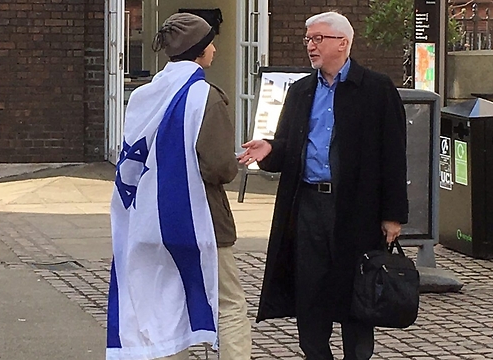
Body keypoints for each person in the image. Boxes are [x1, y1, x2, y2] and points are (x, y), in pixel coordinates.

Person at [238, 11, 408, 360]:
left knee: (355, 293)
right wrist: (270, 148)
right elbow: (289, 145)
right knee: (310, 292)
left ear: (343, 43)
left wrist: (393, 215)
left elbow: (393, 155)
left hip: (356, 209)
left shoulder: (376, 89)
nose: (310, 46)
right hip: (308, 206)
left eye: (318, 39)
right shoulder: (302, 91)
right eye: (308, 39)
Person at [107, 13, 251, 360]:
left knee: (165, 305)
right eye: (210, 42)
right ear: (200, 50)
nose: (215, 49)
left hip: (147, 216)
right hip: (199, 219)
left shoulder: (145, 94)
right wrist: (233, 162)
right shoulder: (205, 96)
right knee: (229, 305)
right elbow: (218, 167)